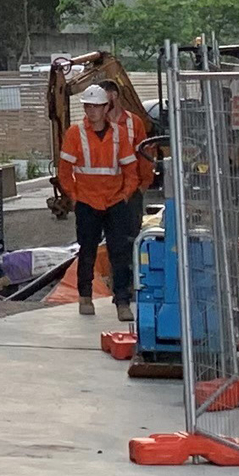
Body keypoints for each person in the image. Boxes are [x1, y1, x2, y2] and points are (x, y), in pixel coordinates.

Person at [58, 84, 150, 320]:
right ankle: (85, 296)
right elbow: (65, 171)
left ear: (106, 107)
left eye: (96, 106)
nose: (91, 111)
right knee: (86, 250)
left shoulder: (119, 134)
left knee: (119, 252)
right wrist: (75, 197)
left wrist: (126, 194)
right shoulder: (75, 133)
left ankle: (122, 301)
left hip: (114, 201)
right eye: (88, 106)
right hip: (88, 202)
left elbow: (130, 168)